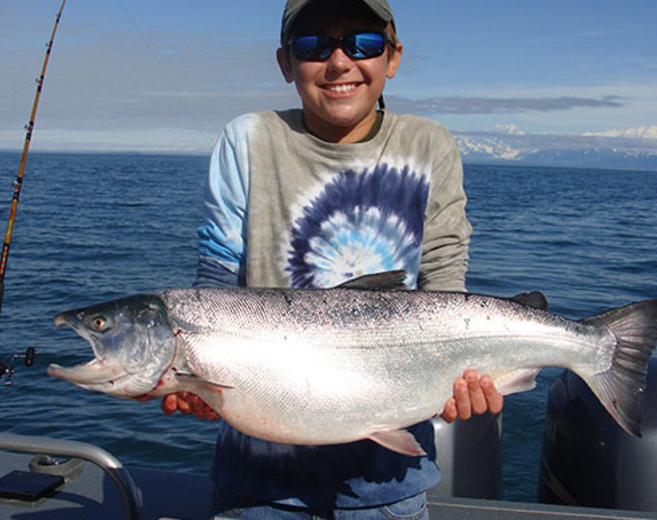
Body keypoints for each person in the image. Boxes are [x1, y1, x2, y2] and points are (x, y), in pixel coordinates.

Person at [162, 0, 503, 518]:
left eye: (362, 43)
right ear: (285, 62)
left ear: (393, 58)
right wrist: (192, 373)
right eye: (314, 46)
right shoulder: (247, 139)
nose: (340, 62)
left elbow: (446, 284)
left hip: (389, 483)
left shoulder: (428, 145)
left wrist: (463, 377)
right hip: (258, 482)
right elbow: (210, 291)